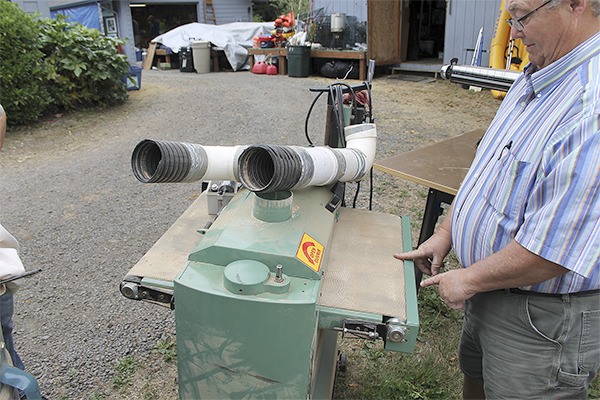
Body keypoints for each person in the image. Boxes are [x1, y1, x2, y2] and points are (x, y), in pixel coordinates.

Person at [395, 0, 600, 398]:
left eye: (521, 16)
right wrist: (446, 232)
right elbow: (487, 171)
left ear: (576, 5)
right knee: (478, 383)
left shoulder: (589, 106)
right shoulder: (534, 78)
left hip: (541, 320)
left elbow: (554, 248)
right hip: (492, 289)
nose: (514, 31)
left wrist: (469, 279)